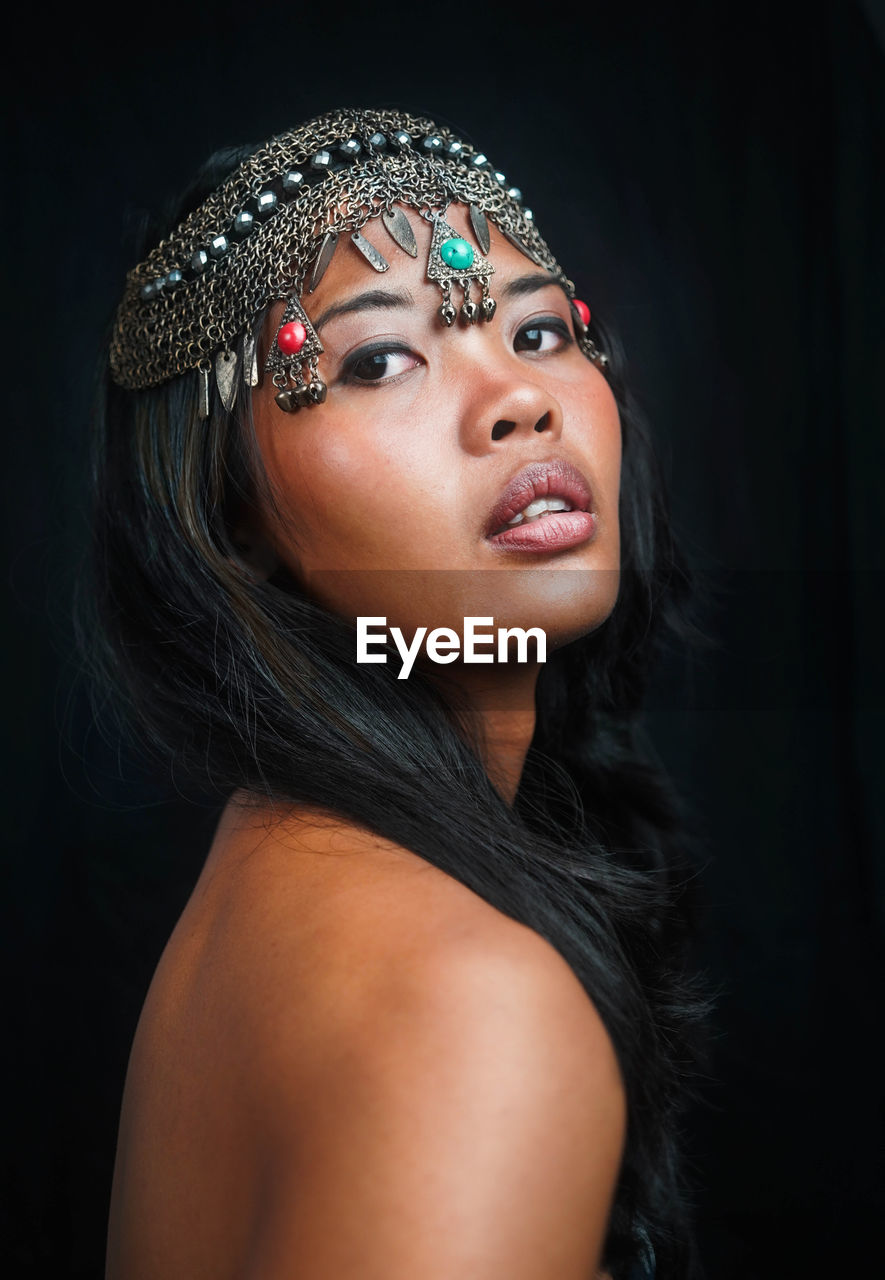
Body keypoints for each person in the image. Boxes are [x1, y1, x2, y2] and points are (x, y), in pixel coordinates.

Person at [90, 107, 711, 1280]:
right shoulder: (465, 1009)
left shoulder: (278, 864)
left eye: (538, 330)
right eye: (378, 359)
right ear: (232, 510)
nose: (517, 401)